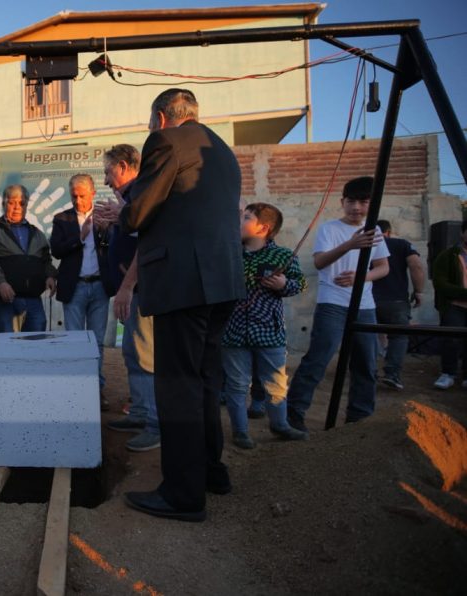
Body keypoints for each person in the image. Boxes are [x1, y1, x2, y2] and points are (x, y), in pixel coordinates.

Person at [118, 88, 245, 522]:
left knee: (178, 386)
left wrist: (120, 213)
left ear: (160, 117)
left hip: (184, 282)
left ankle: (182, 495)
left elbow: (139, 212)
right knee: (206, 381)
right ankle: (211, 472)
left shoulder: (166, 141)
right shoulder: (221, 149)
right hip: (222, 281)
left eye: (150, 122)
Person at [286, 176, 390, 432]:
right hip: (332, 303)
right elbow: (320, 262)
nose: (356, 207)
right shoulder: (329, 229)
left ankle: (359, 418)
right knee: (318, 360)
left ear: (373, 204)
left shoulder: (374, 231)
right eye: (351, 201)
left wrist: (360, 278)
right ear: (342, 202)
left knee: (365, 363)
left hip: (365, 305)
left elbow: (383, 267)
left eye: (363, 202)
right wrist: (350, 244)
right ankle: (293, 413)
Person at [221, 203, 308, 449]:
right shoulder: (229, 253)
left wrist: (283, 285)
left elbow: (300, 284)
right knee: (237, 384)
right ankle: (240, 431)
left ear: (263, 228)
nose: (239, 222)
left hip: (270, 332)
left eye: (246, 218)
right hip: (233, 332)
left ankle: (279, 424)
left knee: (275, 383)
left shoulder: (283, 255)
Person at [94, 144, 160, 451]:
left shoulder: (140, 196)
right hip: (134, 291)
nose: (106, 180)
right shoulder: (130, 199)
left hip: (142, 291)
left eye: (108, 172)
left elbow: (146, 245)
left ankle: (155, 424)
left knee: (147, 354)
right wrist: (113, 225)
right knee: (133, 352)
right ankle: (140, 412)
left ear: (122, 166)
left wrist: (127, 286)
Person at [50, 173, 113, 410]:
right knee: (75, 341)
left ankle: (96, 389)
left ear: (93, 193)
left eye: (82, 196)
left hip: (99, 286)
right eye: (74, 196)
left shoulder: (105, 216)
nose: (78, 201)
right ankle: (77, 389)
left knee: (97, 342)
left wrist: (106, 232)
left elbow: (114, 248)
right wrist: (80, 237)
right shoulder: (62, 219)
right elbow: (56, 250)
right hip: (74, 287)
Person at [0, 185, 57, 333]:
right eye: (11, 203)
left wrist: (50, 275)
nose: (17, 207)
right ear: (4, 204)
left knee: (35, 342)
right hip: (5, 300)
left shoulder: (37, 233)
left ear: (27, 205)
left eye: (21, 203)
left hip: (33, 301)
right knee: (6, 344)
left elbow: (46, 260)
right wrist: (0, 282)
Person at [372, 219, 425, 390]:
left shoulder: (366, 245)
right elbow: (416, 266)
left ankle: (369, 373)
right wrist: (418, 291)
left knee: (367, 335)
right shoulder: (402, 244)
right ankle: (392, 374)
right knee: (399, 336)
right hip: (396, 300)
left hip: (367, 299)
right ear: (389, 232)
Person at [430, 219, 467, 389]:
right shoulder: (448, 255)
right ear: (462, 233)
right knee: (451, 339)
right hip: (454, 305)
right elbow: (440, 283)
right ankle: (448, 373)